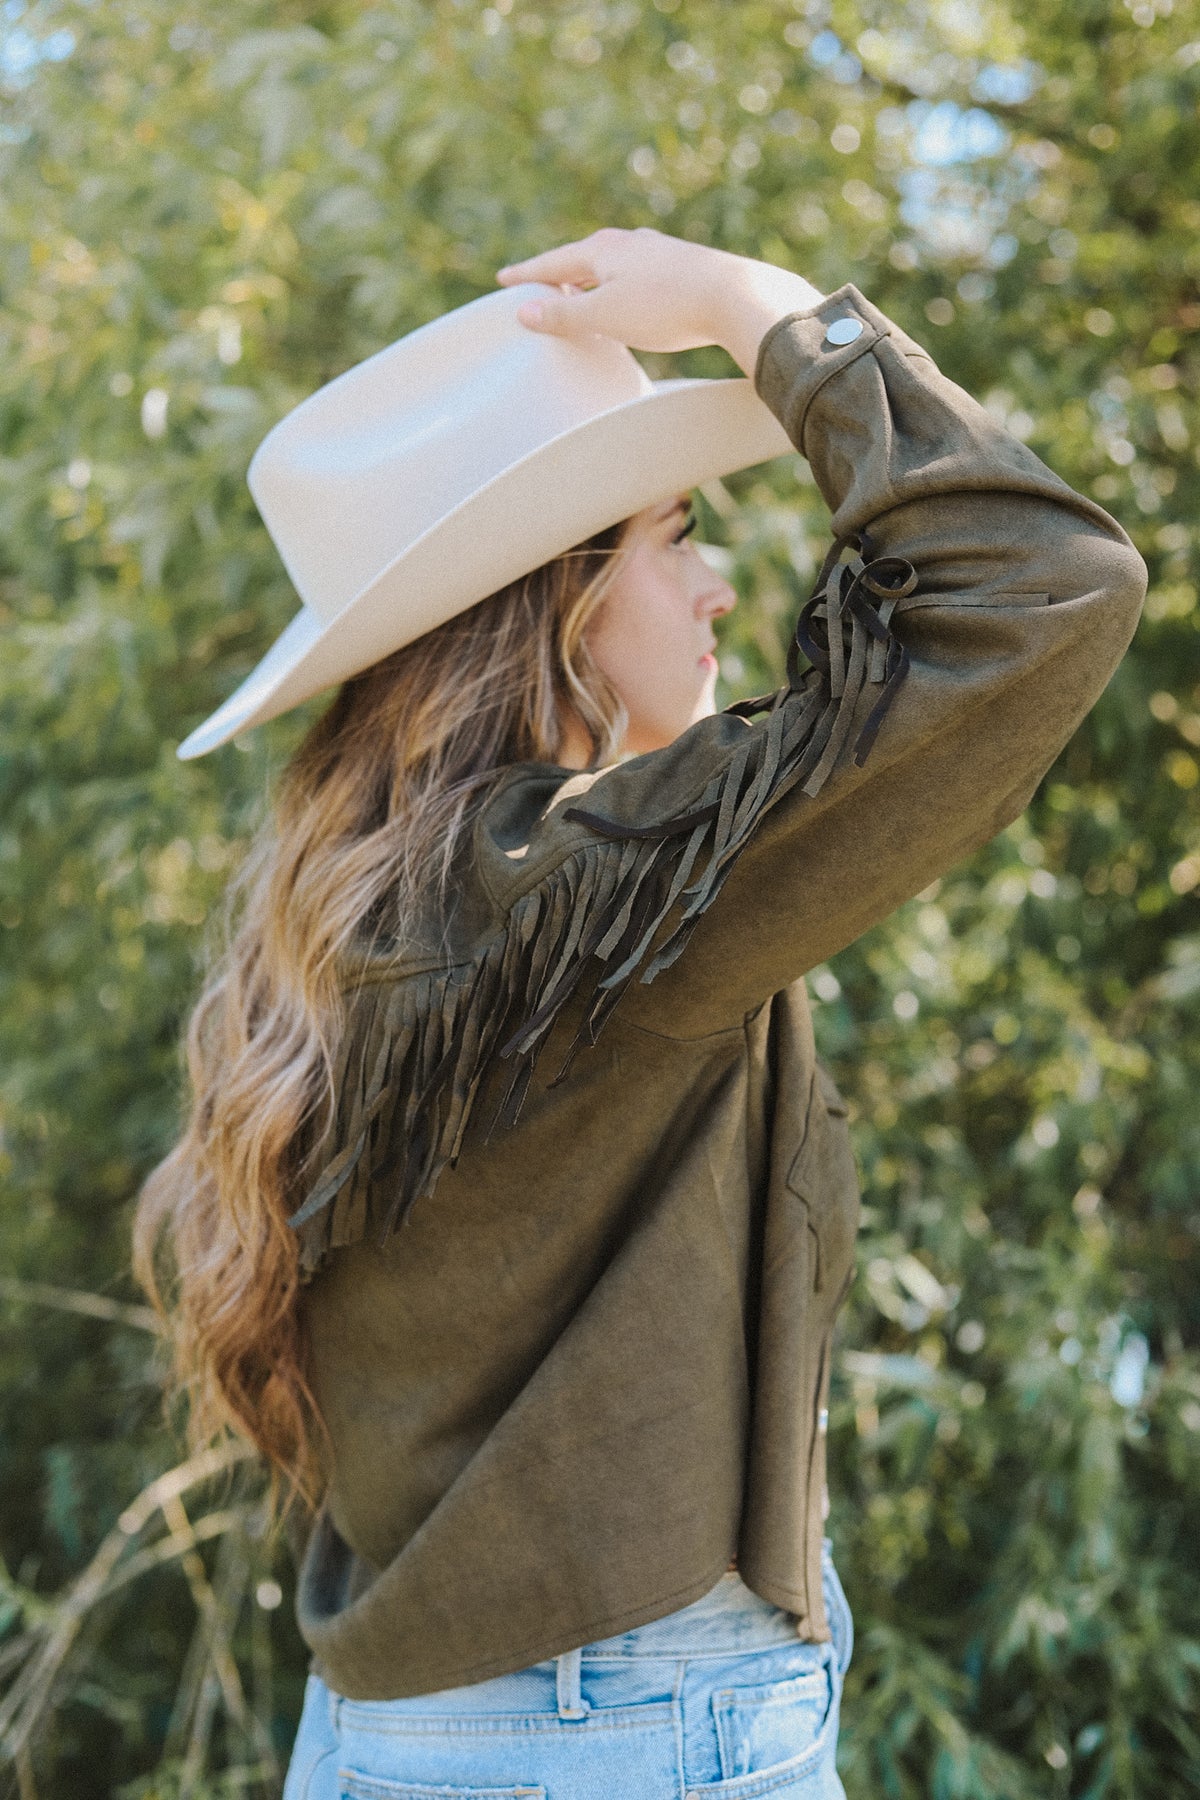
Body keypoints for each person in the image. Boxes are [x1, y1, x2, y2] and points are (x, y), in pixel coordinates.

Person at [134, 227, 1146, 1800]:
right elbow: (1042, 589)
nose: (719, 578)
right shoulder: (595, 898)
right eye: (672, 536)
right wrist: (753, 307)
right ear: (551, 608)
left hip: (389, 1732)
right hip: (623, 1726)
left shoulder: (354, 909)